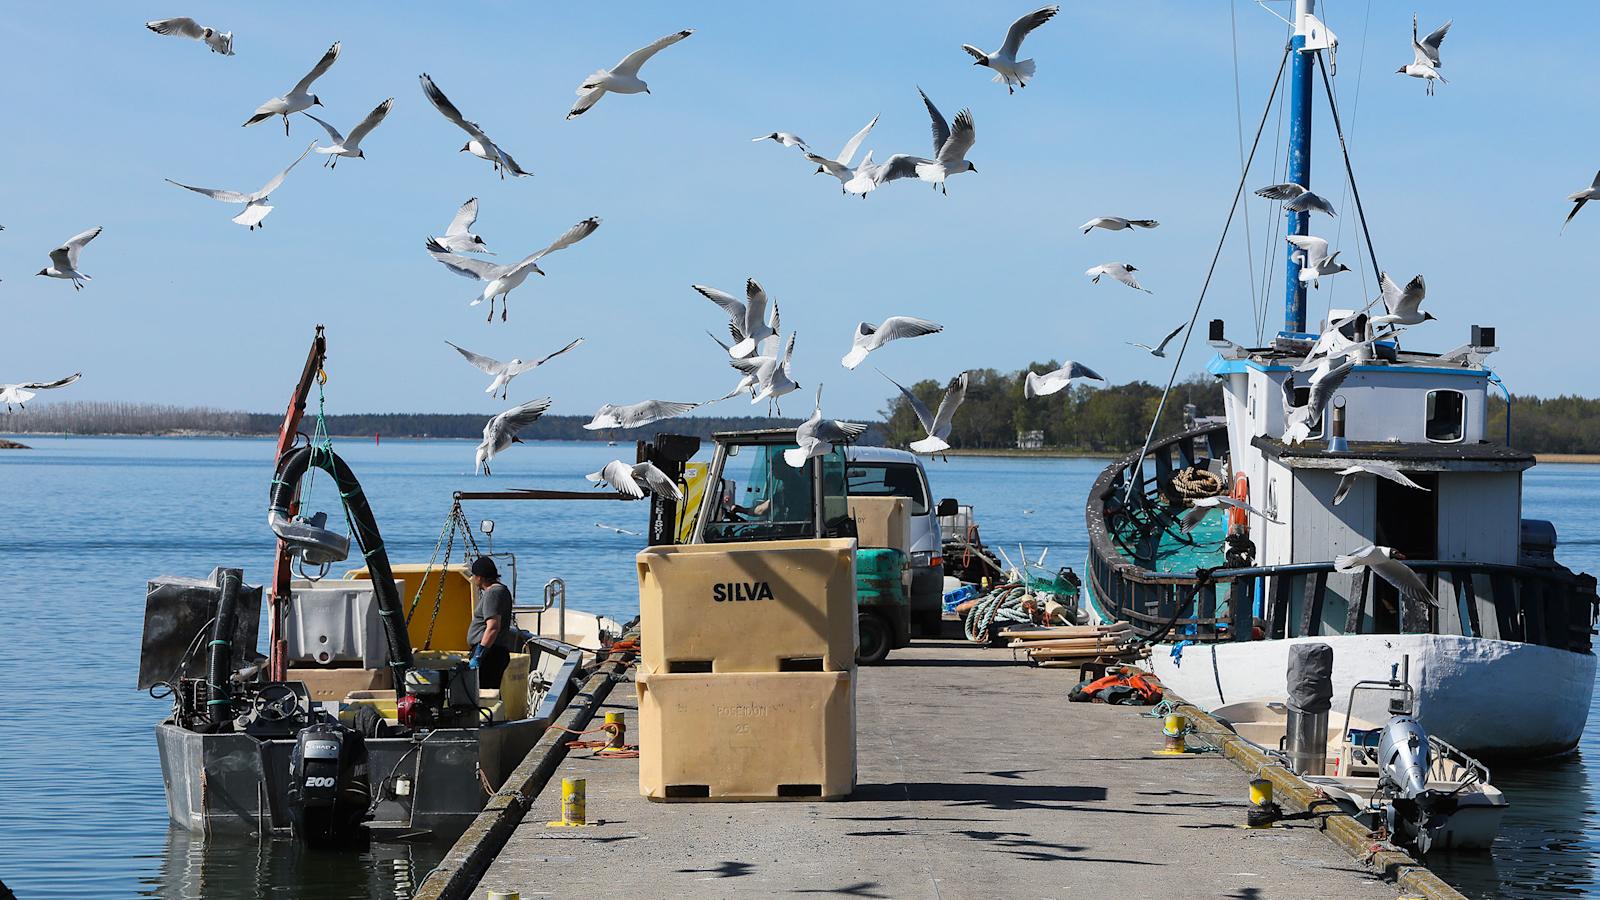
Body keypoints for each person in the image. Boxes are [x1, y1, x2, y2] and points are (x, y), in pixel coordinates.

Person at [466, 556, 516, 689]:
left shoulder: (493, 593)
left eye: (474, 575)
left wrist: (479, 654)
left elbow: (493, 627)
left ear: (480, 577)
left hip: (490, 655)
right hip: (494, 653)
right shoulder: (501, 590)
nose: (473, 578)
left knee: (483, 694)